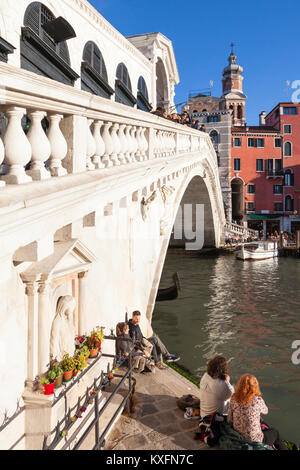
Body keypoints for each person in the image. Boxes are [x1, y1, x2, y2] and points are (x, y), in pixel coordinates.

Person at [227, 374, 287, 450]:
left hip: (238, 436)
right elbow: (266, 411)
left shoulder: (234, 398)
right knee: (275, 433)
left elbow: (229, 419)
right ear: (255, 386)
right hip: (255, 440)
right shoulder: (257, 400)